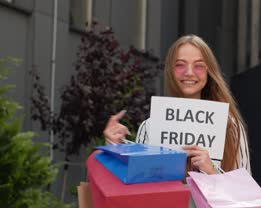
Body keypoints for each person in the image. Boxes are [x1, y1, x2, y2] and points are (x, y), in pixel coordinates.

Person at [103, 35, 250, 175]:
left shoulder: (231, 126)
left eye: (198, 66)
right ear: (170, 71)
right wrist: (115, 147)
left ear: (209, 72)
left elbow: (244, 190)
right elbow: (138, 184)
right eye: (180, 65)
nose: (189, 73)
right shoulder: (150, 127)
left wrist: (212, 171)